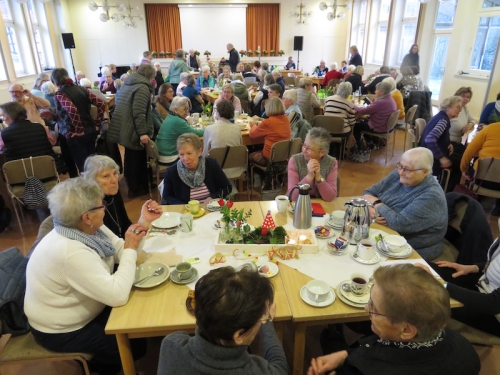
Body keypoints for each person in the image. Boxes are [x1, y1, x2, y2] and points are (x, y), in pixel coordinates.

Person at [24, 177, 148, 375]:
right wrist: (131, 248)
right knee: (135, 344)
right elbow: (117, 295)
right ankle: (98, 368)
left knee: (140, 321)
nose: (105, 208)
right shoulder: (69, 251)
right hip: (61, 330)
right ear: (87, 217)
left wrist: (141, 230)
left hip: (87, 308)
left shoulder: (85, 228)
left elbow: (120, 249)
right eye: (102, 205)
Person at [308, 264, 480, 375]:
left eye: (374, 307)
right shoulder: (464, 348)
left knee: (330, 339)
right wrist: (345, 354)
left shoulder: (364, 369)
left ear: (406, 330)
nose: (366, 308)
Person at [157, 266, 288, 375]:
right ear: (238, 336)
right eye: (261, 317)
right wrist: (268, 320)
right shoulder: (256, 371)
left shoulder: (170, 345)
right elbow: (280, 368)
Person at [363, 147, 447, 260]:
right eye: (400, 166)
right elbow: (368, 193)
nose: (401, 172)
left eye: (407, 169)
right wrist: (370, 209)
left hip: (411, 248)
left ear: (425, 172)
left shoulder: (431, 195)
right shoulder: (397, 175)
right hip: (386, 233)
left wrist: (376, 202)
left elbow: (399, 223)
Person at [432, 219, 500, 336]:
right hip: (483, 283)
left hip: (494, 313)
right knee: (425, 270)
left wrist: (443, 285)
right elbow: (495, 260)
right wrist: (473, 268)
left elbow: (493, 304)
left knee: (425, 299)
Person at [82, 155, 162, 238]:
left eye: (115, 173)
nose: (114, 180)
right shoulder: (91, 208)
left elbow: (125, 225)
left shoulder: (114, 194)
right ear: (91, 181)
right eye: (106, 176)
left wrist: (142, 222)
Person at [107, 64, 155, 198]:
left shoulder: (128, 83)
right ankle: (135, 189)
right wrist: (143, 133)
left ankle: (137, 185)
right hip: (133, 130)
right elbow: (139, 113)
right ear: (150, 76)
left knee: (130, 157)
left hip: (124, 127)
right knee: (136, 160)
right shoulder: (142, 87)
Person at [52, 68, 105, 173]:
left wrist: (79, 129)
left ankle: (86, 188)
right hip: (90, 129)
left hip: (74, 133)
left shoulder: (60, 94)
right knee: (90, 163)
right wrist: (98, 123)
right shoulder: (81, 89)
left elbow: (72, 110)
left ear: (55, 81)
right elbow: (101, 103)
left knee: (82, 167)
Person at [162, 133, 232, 204]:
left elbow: (227, 188)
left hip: (211, 208)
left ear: (199, 152)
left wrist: (213, 198)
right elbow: (167, 196)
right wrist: (184, 206)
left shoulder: (211, 165)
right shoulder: (172, 172)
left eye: (189, 153)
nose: (185, 158)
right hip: (186, 212)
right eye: (181, 154)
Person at [0, 102, 66, 174]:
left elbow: (1, 150)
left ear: (10, 115)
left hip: (23, 174)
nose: (3, 119)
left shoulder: (4, 133)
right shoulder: (40, 127)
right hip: (47, 170)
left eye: (3, 115)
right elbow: (53, 142)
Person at [419, 96, 463, 191]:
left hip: (426, 153)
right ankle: (444, 192)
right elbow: (430, 139)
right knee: (461, 165)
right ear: (448, 107)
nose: (460, 110)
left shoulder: (440, 117)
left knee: (459, 156)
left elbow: (437, 137)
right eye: (458, 107)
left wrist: (448, 144)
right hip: (430, 158)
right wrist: (442, 158)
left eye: (461, 107)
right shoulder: (443, 120)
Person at [460, 121, 500, 215]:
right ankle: (497, 210)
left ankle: (476, 201)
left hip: (481, 179)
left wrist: (464, 169)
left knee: (476, 165)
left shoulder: (491, 128)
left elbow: (469, 151)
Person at [288, 127, 338, 202]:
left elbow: (330, 197)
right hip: (299, 205)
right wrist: (309, 177)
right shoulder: (295, 161)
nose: (304, 150)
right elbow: (292, 196)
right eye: (304, 145)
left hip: (322, 206)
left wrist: (318, 177)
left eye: (309, 149)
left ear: (322, 152)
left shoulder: (331, 163)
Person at [156, 96, 204, 163]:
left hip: (161, 152)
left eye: (188, 109)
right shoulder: (177, 121)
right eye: (184, 109)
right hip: (168, 156)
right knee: (196, 154)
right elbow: (195, 134)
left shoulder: (171, 116)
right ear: (175, 110)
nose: (187, 112)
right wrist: (208, 128)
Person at [248, 97, 291, 167]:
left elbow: (252, 134)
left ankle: (257, 176)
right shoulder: (286, 118)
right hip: (283, 157)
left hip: (269, 158)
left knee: (250, 155)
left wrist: (253, 126)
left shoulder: (268, 122)